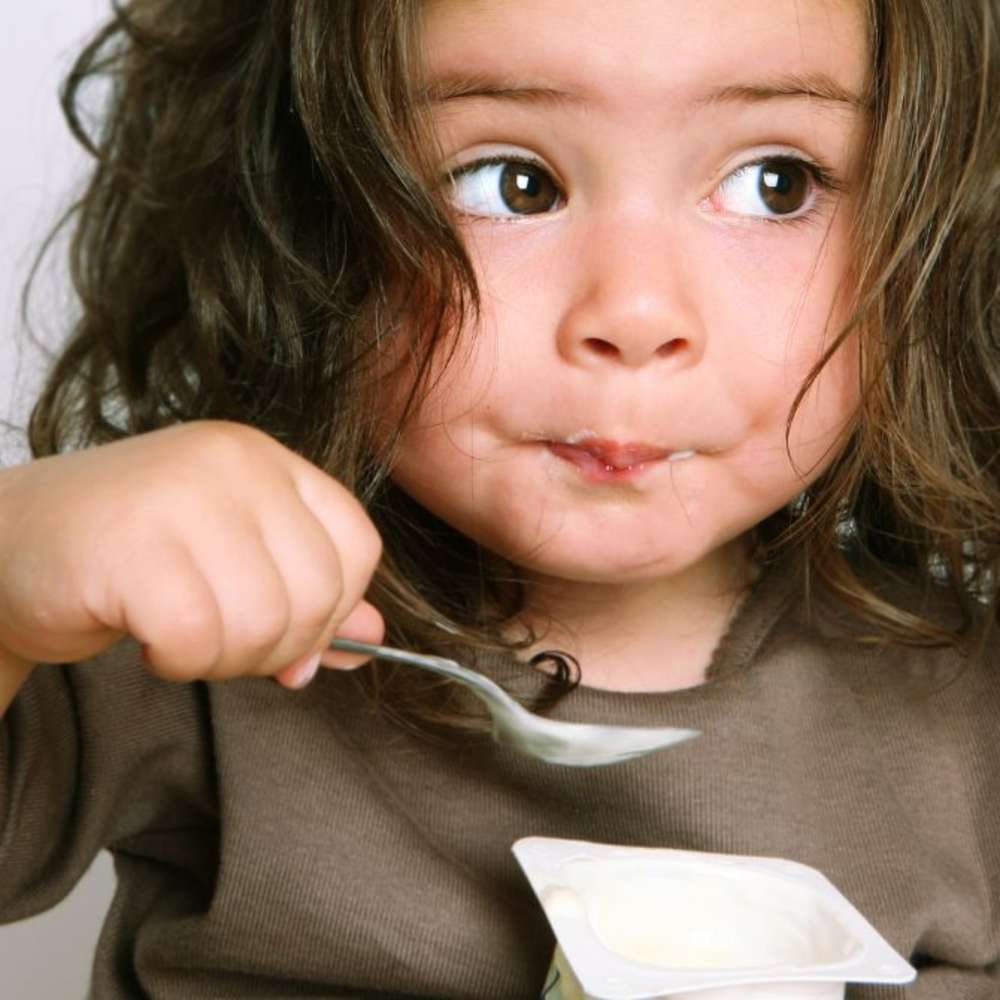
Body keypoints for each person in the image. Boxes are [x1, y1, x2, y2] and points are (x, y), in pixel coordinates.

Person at [1, 0, 998, 996]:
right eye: (515, 184)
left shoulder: (966, 714)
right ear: (307, 215)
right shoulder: (201, 613)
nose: (636, 312)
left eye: (774, 184)